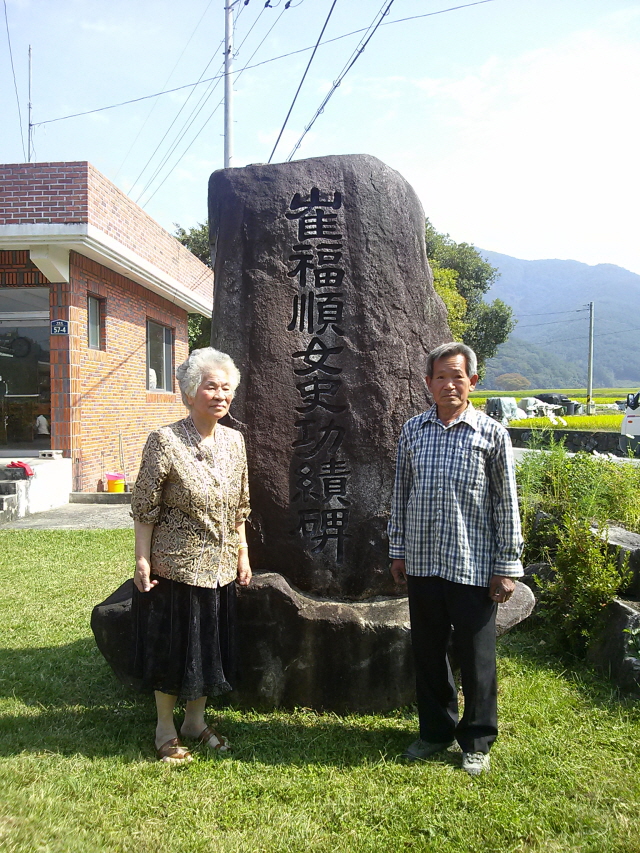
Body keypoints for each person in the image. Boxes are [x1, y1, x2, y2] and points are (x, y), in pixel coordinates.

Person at [388, 342, 523, 776]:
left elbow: (506, 505)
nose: (449, 384)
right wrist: (398, 549)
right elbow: (401, 494)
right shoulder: (413, 430)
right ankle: (435, 732)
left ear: (473, 382)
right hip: (424, 562)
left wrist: (506, 566)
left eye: (457, 376)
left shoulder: (491, 434)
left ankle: (477, 739)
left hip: (473, 564)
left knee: (476, 656)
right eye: (440, 377)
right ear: (428, 383)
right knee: (428, 652)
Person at [131, 347, 251, 765]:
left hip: (218, 568)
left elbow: (240, 505)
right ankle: (165, 727)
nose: (220, 395)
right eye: (210, 386)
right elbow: (144, 506)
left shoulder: (236, 441)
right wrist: (141, 558)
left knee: (208, 646)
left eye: (226, 388)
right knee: (173, 648)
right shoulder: (164, 441)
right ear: (189, 391)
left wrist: (243, 552)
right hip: (175, 567)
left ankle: (195, 722)